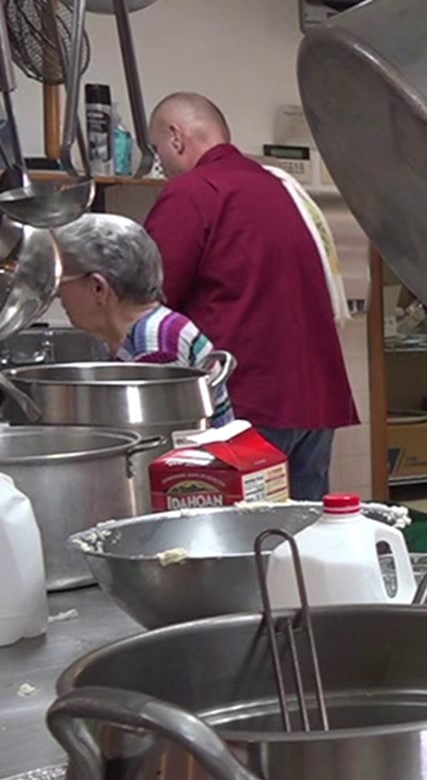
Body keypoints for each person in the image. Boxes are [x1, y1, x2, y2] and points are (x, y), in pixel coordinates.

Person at [144, 91, 357, 498]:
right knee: (302, 543)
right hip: (315, 401)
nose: (162, 164)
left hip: (247, 403)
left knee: (246, 547)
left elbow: (151, 298)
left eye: (158, 150)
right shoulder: (283, 188)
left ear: (176, 137)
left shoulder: (193, 191)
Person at [53, 213, 232, 425]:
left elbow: (161, 439)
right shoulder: (137, 334)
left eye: (61, 280)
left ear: (98, 288)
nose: (57, 293)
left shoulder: (155, 343)